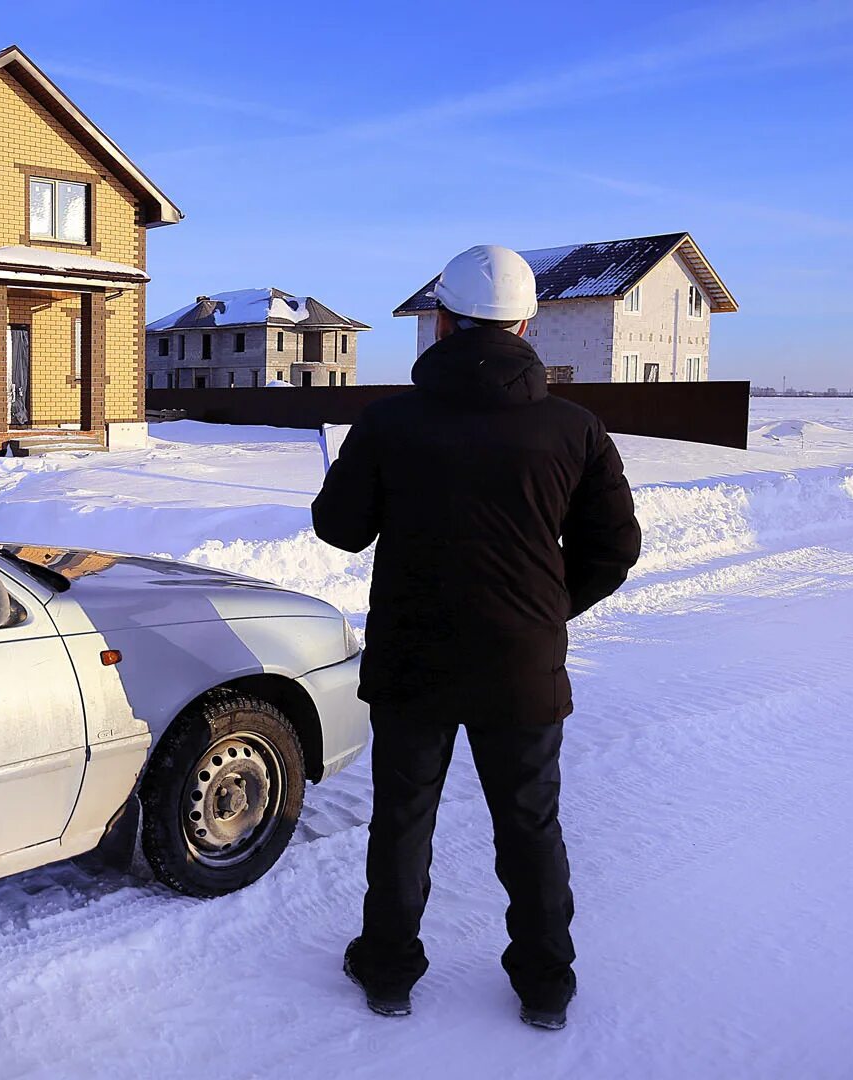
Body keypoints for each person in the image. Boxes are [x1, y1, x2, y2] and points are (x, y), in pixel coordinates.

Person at [313, 245, 642, 1030]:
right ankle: (545, 986)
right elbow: (616, 548)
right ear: (525, 323)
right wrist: (545, 609)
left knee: (402, 819)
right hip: (521, 665)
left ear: (443, 321)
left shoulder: (390, 420)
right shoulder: (575, 426)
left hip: (413, 659)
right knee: (529, 822)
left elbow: (339, 529)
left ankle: (389, 972)